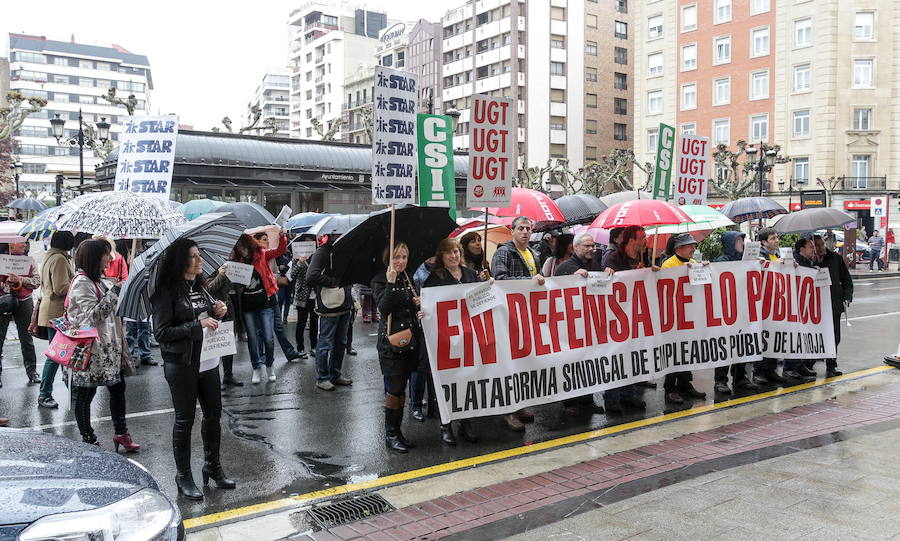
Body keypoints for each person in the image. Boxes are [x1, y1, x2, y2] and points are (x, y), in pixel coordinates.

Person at [151, 238, 234, 501]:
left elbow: (208, 317)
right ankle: (183, 476)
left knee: (213, 416)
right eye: (194, 256)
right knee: (184, 421)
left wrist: (219, 310)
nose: (200, 261)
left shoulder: (202, 287)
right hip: (181, 363)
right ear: (180, 261)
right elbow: (161, 332)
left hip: (208, 360)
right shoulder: (165, 291)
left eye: (199, 255)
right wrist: (196, 327)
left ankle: (212, 466)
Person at [66, 239, 138, 450]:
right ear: (95, 257)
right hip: (90, 351)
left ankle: (121, 433)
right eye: (106, 253)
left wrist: (122, 289)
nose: (110, 257)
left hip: (109, 349)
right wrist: (115, 291)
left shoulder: (98, 280)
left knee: (118, 389)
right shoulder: (81, 282)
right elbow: (94, 315)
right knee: (86, 395)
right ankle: (88, 438)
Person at [422, 238, 485, 445]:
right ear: (441, 256)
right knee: (447, 382)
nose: (454, 256)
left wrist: (487, 284)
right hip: (446, 339)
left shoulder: (471, 275)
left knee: (468, 379)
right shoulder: (434, 278)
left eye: (457, 251)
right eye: (449, 252)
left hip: (469, 337)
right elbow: (429, 307)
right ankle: (446, 425)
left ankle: (466, 422)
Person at [491, 216, 544, 430]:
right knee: (508, 364)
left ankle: (520, 404)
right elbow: (500, 279)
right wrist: (528, 283)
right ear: (511, 231)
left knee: (523, 362)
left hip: (526, 314)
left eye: (528, 229)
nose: (525, 232)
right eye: (520, 228)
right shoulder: (504, 252)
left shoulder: (533, 254)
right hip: (508, 316)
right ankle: (508, 411)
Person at [372, 243, 422, 453]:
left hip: (409, 341)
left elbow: (410, 307)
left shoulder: (408, 277)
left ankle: (398, 432)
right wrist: (391, 282)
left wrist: (419, 304)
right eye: (396, 257)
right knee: (394, 390)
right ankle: (390, 435)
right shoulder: (379, 279)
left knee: (402, 389)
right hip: (390, 344)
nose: (401, 261)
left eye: (404, 256)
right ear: (388, 258)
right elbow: (384, 308)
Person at [600, 226, 654, 413]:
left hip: (635, 315)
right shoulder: (613, 257)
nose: (646, 240)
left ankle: (628, 395)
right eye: (642, 237)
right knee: (616, 356)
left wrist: (649, 271)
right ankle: (612, 398)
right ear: (632, 240)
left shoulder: (643, 256)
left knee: (633, 356)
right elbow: (605, 279)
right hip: (616, 316)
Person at [553, 234, 606, 416]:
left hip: (589, 322)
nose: (592, 249)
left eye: (593, 246)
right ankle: (570, 402)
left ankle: (587, 399)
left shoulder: (595, 265)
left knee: (589, 362)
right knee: (572, 362)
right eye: (587, 246)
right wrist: (571, 278)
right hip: (571, 324)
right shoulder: (565, 267)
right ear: (575, 248)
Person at [230, 232, 288, 384]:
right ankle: (256, 367)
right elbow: (232, 284)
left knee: (268, 338)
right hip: (247, 306)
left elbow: (280, 251)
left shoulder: (261, 254)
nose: (242, 249)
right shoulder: (236, 261)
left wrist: (282, 237)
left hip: (264, 303)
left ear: (248, 245)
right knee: (253, 339)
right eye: (239, 247)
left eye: (243, 246)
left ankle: (269, 365)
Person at [659, 234, 709, 404]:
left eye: (694, 246)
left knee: (687, 351)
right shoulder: (669, 264)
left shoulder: (694, 264)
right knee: (673, 352)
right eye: (689, 246)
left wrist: (704, 269)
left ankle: (685, 384)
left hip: (689, 315)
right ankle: (670, 388)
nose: (693, 249)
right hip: (674, 315)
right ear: (678, 248)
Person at [711, 231, 758, 394]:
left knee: (742, 344)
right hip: (727, 312)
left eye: (742, 241)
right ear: (730, 243)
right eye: (738, 241)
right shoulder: (721, 261)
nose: (742, 244)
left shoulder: (744, 260)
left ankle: (740, 378)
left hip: (743, 309)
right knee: (725, 345)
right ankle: (720, 380)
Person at [306, 234, 353, 391]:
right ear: (333, 235)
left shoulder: (345, 250)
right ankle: (322, 378)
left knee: (341, 342)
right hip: (329, 305)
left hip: (345, 304)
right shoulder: (323, 252)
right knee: (325, 342)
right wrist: (333, 282)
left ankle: (335, 374)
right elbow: (311, 276)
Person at [36, 231, 75, 408]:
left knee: (61, 353)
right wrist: (76, 282)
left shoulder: (51, 256)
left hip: (50, 310)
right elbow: (60, 288)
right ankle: (44, 394)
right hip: (56, 311)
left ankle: (70, 388)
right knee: (56, 355)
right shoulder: (59, 259)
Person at [253, 232, 301, 362]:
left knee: (278, 326)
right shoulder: (251, 258)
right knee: (261, 329)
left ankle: (289, 352)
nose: (267, 242)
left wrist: (281, 236)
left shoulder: (266, 254)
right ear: (256, 242)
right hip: (259, 298)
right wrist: (275, 278)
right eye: (264, 240)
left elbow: (280, 250)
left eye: (267, 239)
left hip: (271, 295)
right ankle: (261, 355)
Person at [0, 240, 41, 386]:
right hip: (3, 301)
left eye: (25, 242)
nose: (25, 245)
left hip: (24, 301)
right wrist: (4, 283)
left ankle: (32, 371)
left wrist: (20, 280)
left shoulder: (30, 260)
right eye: (21, 243)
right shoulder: (1, 259)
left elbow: (36, 281)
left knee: (27, 339)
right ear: (11, 244)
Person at [752, 228, 789, 385]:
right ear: (764, 242)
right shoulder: (759, 256)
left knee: (775, 337)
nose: (777, 240)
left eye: (777, 237)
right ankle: (758, 372)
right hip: (764, 303)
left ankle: (771, 370)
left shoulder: (779, 255)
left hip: (777, 302)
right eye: (773, 238)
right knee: (764, 338)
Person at [813, 234, 852, 378]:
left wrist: (848, 296)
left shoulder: (835, 258)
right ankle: (808, 363)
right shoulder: (808, 261)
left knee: (834, 336)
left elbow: (846, 279)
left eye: (822, 244)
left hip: (834, 304)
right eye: (816, 245)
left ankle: (831, 365)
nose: (821, 247)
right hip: (815, 307)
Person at [782, 237, 820, 382]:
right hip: (794, 306)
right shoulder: (794, 262)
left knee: (803, 336)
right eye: (810, 247)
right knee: (794, 336)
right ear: (801, 249)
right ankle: (789, 367)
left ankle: (799, 364)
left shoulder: (808, 262)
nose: (813, 249)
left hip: (804, 306)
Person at [206, 264, 242, 387]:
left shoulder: (228, 266)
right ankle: (213, 380)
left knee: (228, 344)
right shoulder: (209, 269)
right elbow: (209, 288)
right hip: (214, 311)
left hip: (228, 309)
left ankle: (228, 375)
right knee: (215, 346)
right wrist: (221, 275)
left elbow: (233, 287)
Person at [289, 254, 317, 359]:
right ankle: (300, 348)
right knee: (301, 322)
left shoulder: (316, 256)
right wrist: (300, 262)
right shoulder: (296, 258)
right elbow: (292, 275)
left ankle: (314, 347)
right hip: (302, 296)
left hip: (315, 295)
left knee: (314, 322)